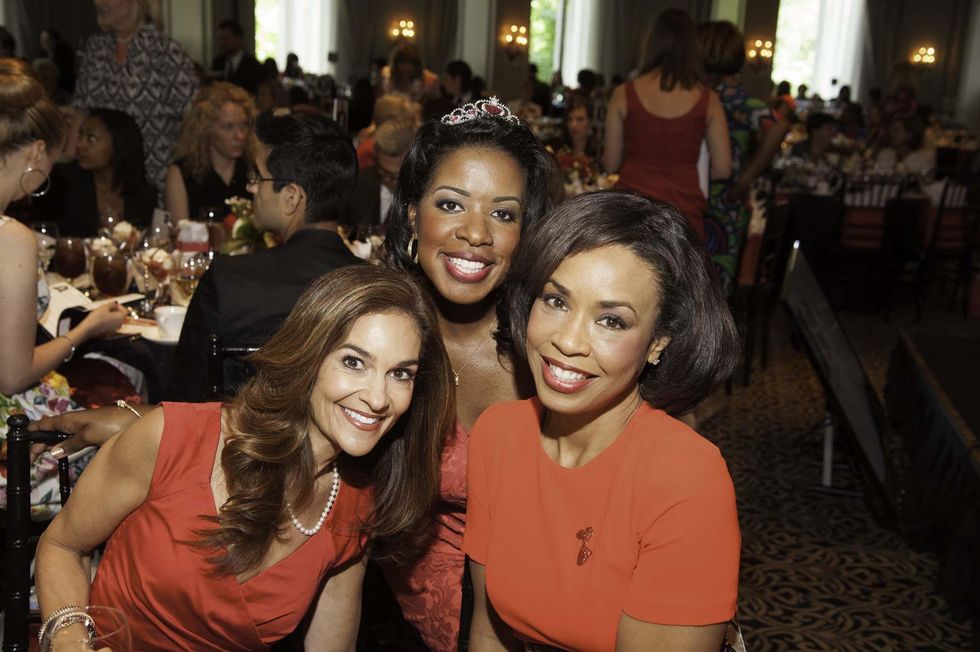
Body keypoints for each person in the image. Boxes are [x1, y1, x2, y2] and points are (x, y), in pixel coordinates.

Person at [36, 264, 456, 650]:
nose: (379, 398)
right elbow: (61, 546)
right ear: (308, 356)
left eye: (401, 373)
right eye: (353, 362)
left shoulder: (354, 508)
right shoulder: (171, 439)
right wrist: (71, 640)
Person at [466, 190, 741, 650]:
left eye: (611, 321)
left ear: (658, 343)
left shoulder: (686, 477)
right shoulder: (499, 434)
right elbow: (488, 630)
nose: (568, 341)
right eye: (556, 301)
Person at [376, 96, 555, 650]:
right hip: (389, 613)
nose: (477, 233)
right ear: (412, 212)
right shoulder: (375, 328)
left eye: (503, 213)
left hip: (532, 616)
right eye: (451, 205)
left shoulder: (551, 350)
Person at [165, 111, 362, 402]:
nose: (250, 186)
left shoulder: (228, 280)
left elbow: (184, 401)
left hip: (241, 443)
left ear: (291, 197)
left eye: (258, 177)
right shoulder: (372, 287)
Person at [0, 60, 124, 505]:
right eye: (55, 157)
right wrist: (83, 332)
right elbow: (12, 375)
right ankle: (51, 569)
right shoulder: (10, 237)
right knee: (122, 449)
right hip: (7, 448)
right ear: (35, 153)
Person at [604, 8, 731, 237]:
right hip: (683, 213)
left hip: (631, 211)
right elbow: (723, 168)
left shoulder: (623, 93)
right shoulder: (708, 99)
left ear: (652, 43)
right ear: (693, 48)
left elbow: (611, 163)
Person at [697, 20, 791, 295]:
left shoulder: (721, 96)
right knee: (714, 290)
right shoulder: (731, 96)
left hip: (719, 199)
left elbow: (778, 127)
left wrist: (745, 178)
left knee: (706, 290)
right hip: (725, 200)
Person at [73, 0, 198, 192]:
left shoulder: (166, 51)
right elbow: (81, 110)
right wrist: (68, 156)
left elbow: (194, 118)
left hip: (154, 177)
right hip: (102, 180)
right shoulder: (96, 47)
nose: (98, 3)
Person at [33, 108, 157, 236]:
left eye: (91, 139)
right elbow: (43, 234)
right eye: (80, 135)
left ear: (118, 145)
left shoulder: (143, 194)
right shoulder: (61, 181)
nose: (80, 144)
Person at [164, 82, 255, 223]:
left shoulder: (254, 168)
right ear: (206, 128)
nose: (240, 136)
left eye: (243, 125)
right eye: (228, 127)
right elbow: (179, 232)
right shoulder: (182, 173)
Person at [344, 117, 417, 228]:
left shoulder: (423, 194)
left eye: (396, 176)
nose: (389, 181)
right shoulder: (358, 183)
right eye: (384, 173)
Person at [551, 92, 598, 187]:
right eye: (570, 120)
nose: (573, 125)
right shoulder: (559, 153)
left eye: (580, 119)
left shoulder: (599, 155)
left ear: (590, 122)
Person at [210, 20, 265, 95]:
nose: (222, 43)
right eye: (220, 39)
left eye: (225, 38)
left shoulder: (253, 66)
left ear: (238, 39)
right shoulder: (218, 62)